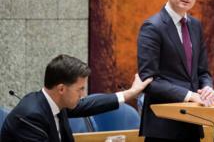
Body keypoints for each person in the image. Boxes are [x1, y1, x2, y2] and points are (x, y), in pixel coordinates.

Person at [137, 0, 214, 142]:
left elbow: (203, 72)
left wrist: (207, 88)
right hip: (163, 127)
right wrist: (190, 96)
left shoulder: (196, 26)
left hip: (193, 122)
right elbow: (149, 81)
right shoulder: (152, 27)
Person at [1, 54, 152, 142]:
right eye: (79, 89)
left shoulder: (57, 103)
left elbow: (88, 105)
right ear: (61, 89)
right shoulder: (30, 118)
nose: (82, 94)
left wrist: (129, 94)